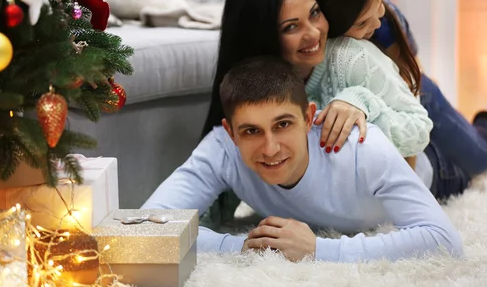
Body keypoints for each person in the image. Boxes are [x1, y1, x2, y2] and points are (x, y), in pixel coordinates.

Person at [143, 56, 462, 262]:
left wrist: (319, 250)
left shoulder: (363, 149)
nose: (270, 148)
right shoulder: (222, 149)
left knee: (477, 154)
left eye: (283, 125)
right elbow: (148, 225)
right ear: (230, 132)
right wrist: (240, 247)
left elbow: (444, 240)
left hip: (432, 170)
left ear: (310, 117)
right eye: (251, 131)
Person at [200, 0, 433, 228]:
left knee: (476, 153)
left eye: (314, 13)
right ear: (263, 37)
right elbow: (231, 162)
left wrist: (362, 102)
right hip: (353, 195)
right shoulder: (249, 87)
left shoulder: (351, 57)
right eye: (291, 27)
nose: (313, 33)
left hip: (418, 167)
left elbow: (420, 130)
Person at [301, 0, 487, 199]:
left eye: (379, 10)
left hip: (417, 93)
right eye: (362, 24)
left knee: (479, 159)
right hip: (385, 104)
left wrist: (409, 189)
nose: (375, 23)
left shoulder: (383, 26)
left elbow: (411, 84)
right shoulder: (328, 55)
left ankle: (484, 127)